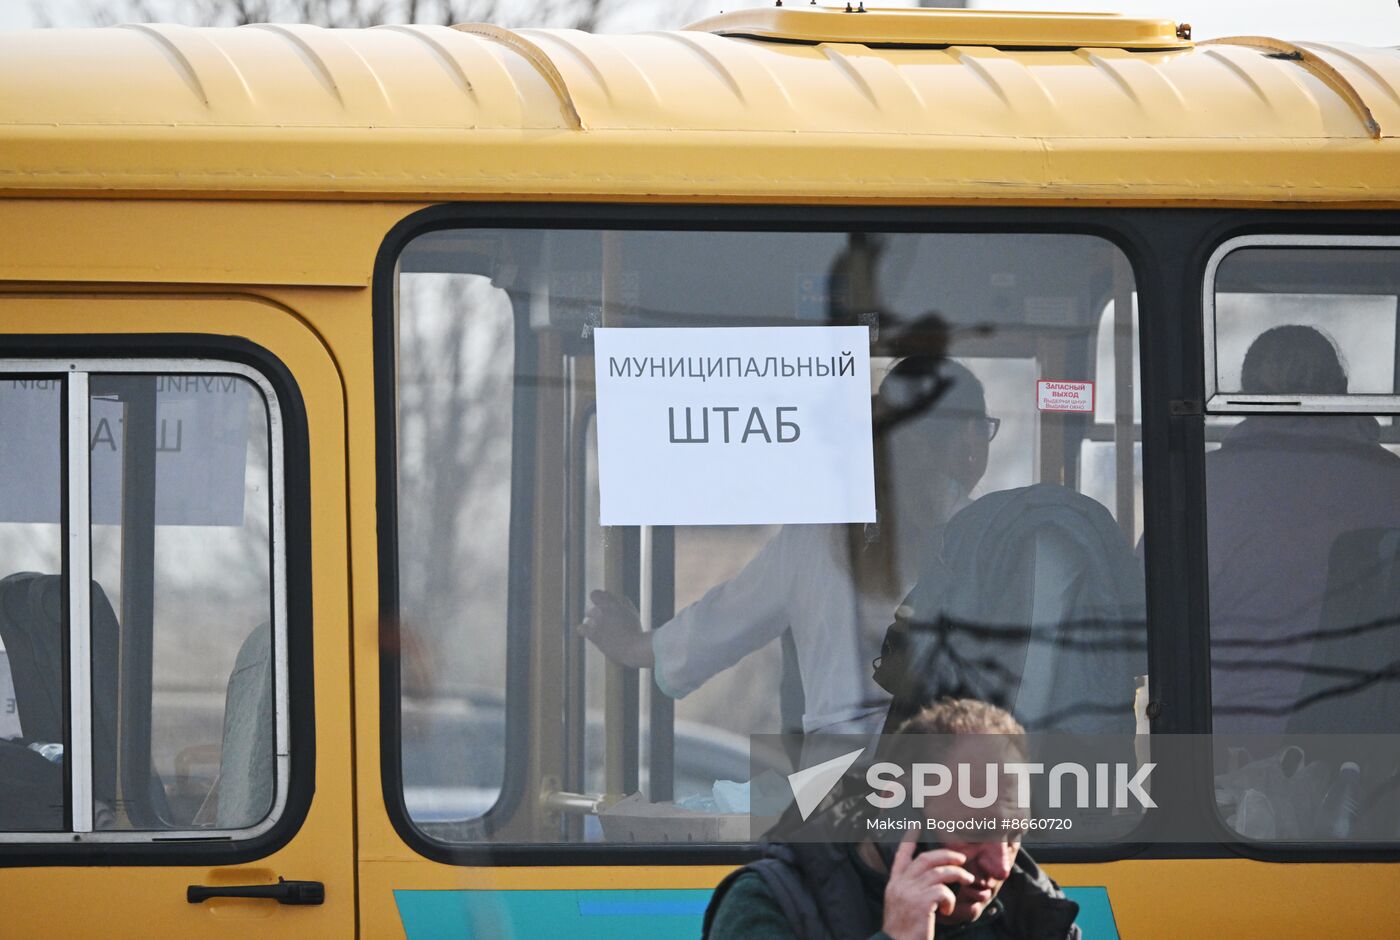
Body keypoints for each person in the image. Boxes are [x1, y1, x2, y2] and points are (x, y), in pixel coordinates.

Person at [579, 357, 996, 735]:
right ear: (970, 440)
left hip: (838, 786)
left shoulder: (815, 538)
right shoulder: (993, 540)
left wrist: (633, 644)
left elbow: (719, 623)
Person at [702, 698, 1080, 940]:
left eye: (1014, 835)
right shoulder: (771, 902)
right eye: (973, 830)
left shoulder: (1036, 914)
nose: (999, 864)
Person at [1205, 325, 1400, 732]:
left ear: (1245, 395)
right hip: (1377, 741)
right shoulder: (1391, 482)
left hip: (1232, 741)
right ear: (1343, 390)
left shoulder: (1207, 485)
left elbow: (1149, 614)